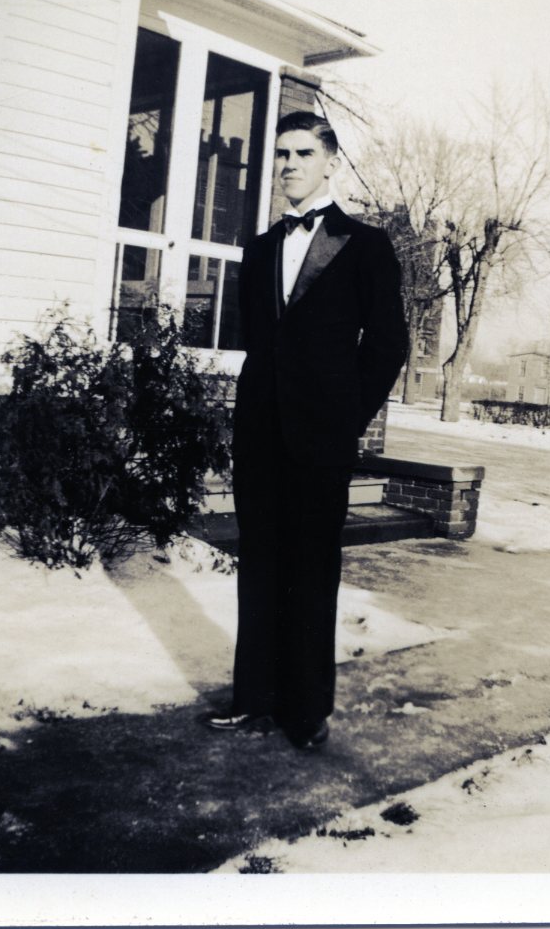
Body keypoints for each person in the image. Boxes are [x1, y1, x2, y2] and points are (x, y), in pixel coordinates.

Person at [204, 111, 408, 750]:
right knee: (259, 564)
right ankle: (253, 699)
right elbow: (259, 343)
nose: (289, 165)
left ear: (330, 163)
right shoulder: (261, 247)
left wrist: (345, 417)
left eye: (302, 153)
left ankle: (305, 710)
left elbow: (388, 344)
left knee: (312, 569)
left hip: (322, 439)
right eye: (281, 154)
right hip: (260, 435)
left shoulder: (365, 244)